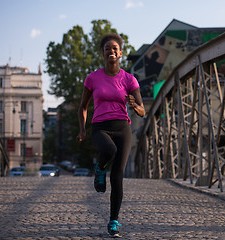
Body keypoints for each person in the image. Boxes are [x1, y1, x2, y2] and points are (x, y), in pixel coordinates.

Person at [77, 33, 145, 238]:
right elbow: (83, 106)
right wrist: (82, 129)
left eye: (115, 48)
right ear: (103, 53)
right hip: (100, 127)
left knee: (117, 177)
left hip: (123, 128)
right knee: (108, 150)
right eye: (108, 48)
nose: (111, 51)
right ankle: (99, 168)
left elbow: (142, 110)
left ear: (120, 53)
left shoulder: (129, 79)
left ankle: (113, 221)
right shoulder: (93, 78)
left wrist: (134, 105)